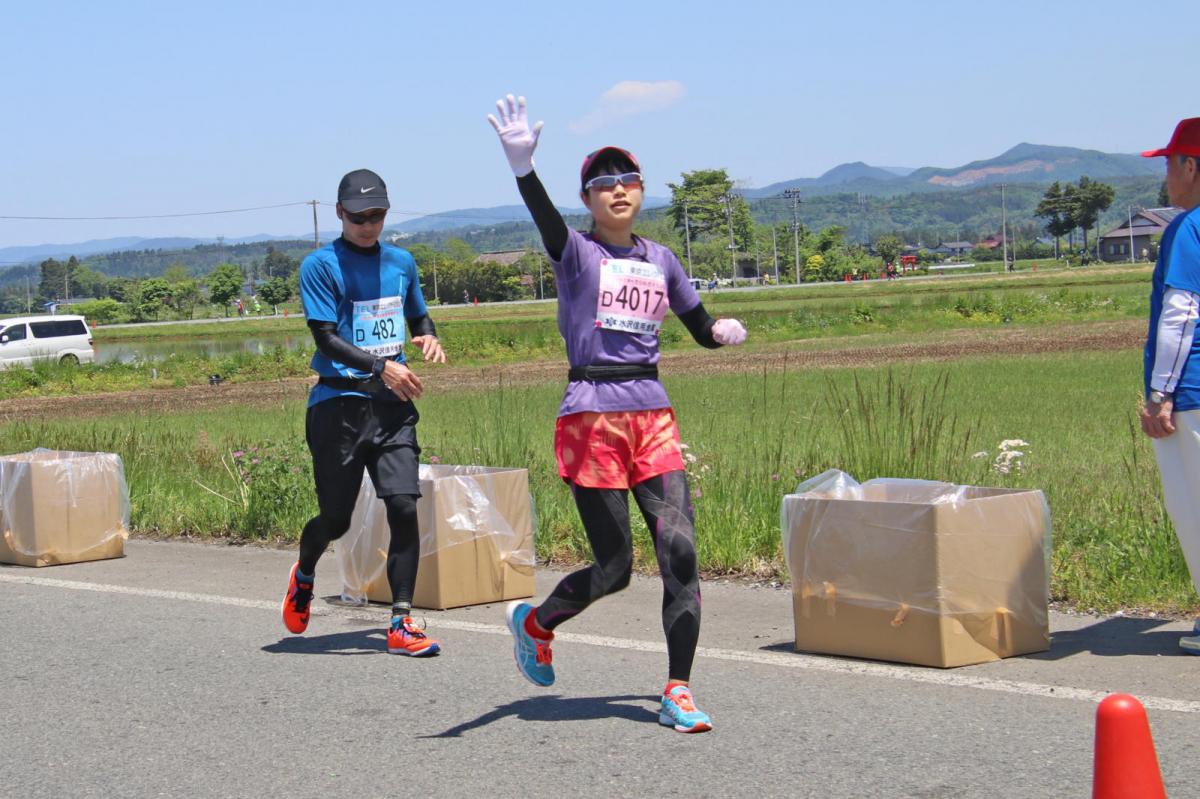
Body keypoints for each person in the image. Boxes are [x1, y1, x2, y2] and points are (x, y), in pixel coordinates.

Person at [487, 95, 748, 733]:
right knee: (615, 569)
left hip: (651, 414)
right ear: (589, 200)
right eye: (602, 183)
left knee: (679, 550)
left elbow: (696, 323)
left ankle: (678, 691)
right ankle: (537, 622)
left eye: (627, 178)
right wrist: (524, 170)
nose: (617, 189)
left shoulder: (661, 260)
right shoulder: (576, 255)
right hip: (590, 416)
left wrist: (719, 331)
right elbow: (547, 223)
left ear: (641, 190)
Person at [281, 168, 447, 657]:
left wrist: (427, 333)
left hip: (392, 406)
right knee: (336, 521)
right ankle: (305, 571)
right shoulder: (320, 264)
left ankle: (401, 622)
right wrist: (383, 367)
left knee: (403, 505)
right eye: (358, 217)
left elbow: (417, 313)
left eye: (376, 216)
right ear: (339, 213)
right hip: (339, 407)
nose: (367, 225)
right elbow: (326, 338)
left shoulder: (401, 261)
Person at [1138, 117, 1200, 655]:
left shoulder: (1189, 228)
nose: (1166, 176)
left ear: (1190, 166)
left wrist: (1161, 395)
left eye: (1168, 163)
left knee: (1194, 505)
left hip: (1195, 395)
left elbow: (1180, 313)